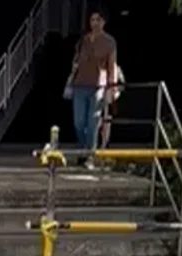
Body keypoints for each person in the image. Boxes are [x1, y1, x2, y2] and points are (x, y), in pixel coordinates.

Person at [66, 8, 117, 169]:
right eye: (92, 20)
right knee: (79, 122)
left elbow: (112, 66)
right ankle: (83, 148)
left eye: (98, 20)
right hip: (80, 84)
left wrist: (112, 87)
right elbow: (76, 61)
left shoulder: (109, 42)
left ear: (103, 22)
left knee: (93, 122)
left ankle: (89, 155)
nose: (94, 23)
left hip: (98, 86)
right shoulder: (83, 40)